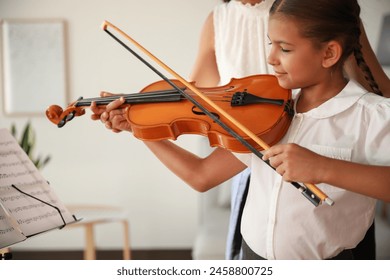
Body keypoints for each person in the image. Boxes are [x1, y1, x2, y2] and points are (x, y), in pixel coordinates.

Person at [91, 0, 390, 259]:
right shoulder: (268, 118)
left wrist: (323, 168)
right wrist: (136, 127)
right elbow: (201, 176)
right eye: (269, 44)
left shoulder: (371, 115)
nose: (271, 58)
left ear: (329, 54)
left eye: (284, 48)